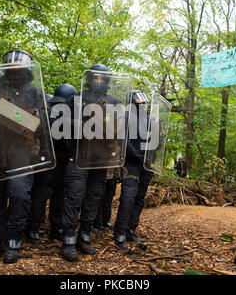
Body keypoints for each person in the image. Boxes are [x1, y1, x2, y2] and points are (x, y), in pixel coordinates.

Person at [0, 49, 49, 264]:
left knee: (19, 194)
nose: (15, 65)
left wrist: (13, 117)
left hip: (23, 151)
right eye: (11, 62)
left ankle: (14, 241)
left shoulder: (34, 92)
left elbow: (41, 124)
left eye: (19, 62)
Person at [61, 64, 123, 262]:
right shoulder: (76, 99)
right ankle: (69, 238)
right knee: (74, 195)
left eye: (102, 78)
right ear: (89, 79)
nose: (98, 81)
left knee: (94, 197)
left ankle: (85, 235)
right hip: (80, 156)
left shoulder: (115, 102)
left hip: (101, 159)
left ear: (107, 81)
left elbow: (120, 131)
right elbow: (63, 126)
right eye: (95, 77)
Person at [28, 83, 77, 244]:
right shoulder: (67, 115)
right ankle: (55, 230)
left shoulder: (44, 113)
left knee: (40, 196)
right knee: (57, 197)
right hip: (60, 162)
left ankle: (34, 229)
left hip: (44, 161)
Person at [113, 90, 154, 249]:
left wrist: (151, 159)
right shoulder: (126, 118)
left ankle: (130, 230)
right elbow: (122, 140)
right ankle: (120, 233)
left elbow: (154, 141)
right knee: (128, 198)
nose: (142, 104)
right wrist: (135, 155)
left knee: (139, 199)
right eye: (139, 102)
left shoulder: (149, 121)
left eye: (143, 102)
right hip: (132, 164)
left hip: (145, 166)